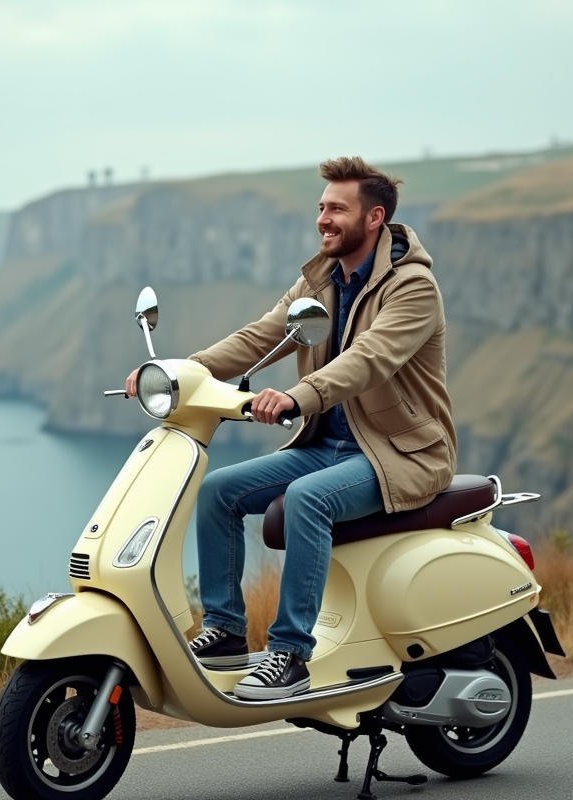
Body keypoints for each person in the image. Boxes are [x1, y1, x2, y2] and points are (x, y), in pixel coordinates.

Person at [125, 156, 455, 700]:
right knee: (217, 493)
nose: (324, 219)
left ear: (374, 218)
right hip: (328, 445)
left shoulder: (413, 289)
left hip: (398, 454)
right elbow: (262, 335)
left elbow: (370, 358)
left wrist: (299, 396)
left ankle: (289, 654)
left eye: (337, 210)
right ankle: (228, 630)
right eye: (321, 208)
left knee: (307, 500)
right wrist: (180, 373)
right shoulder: (318, 278)